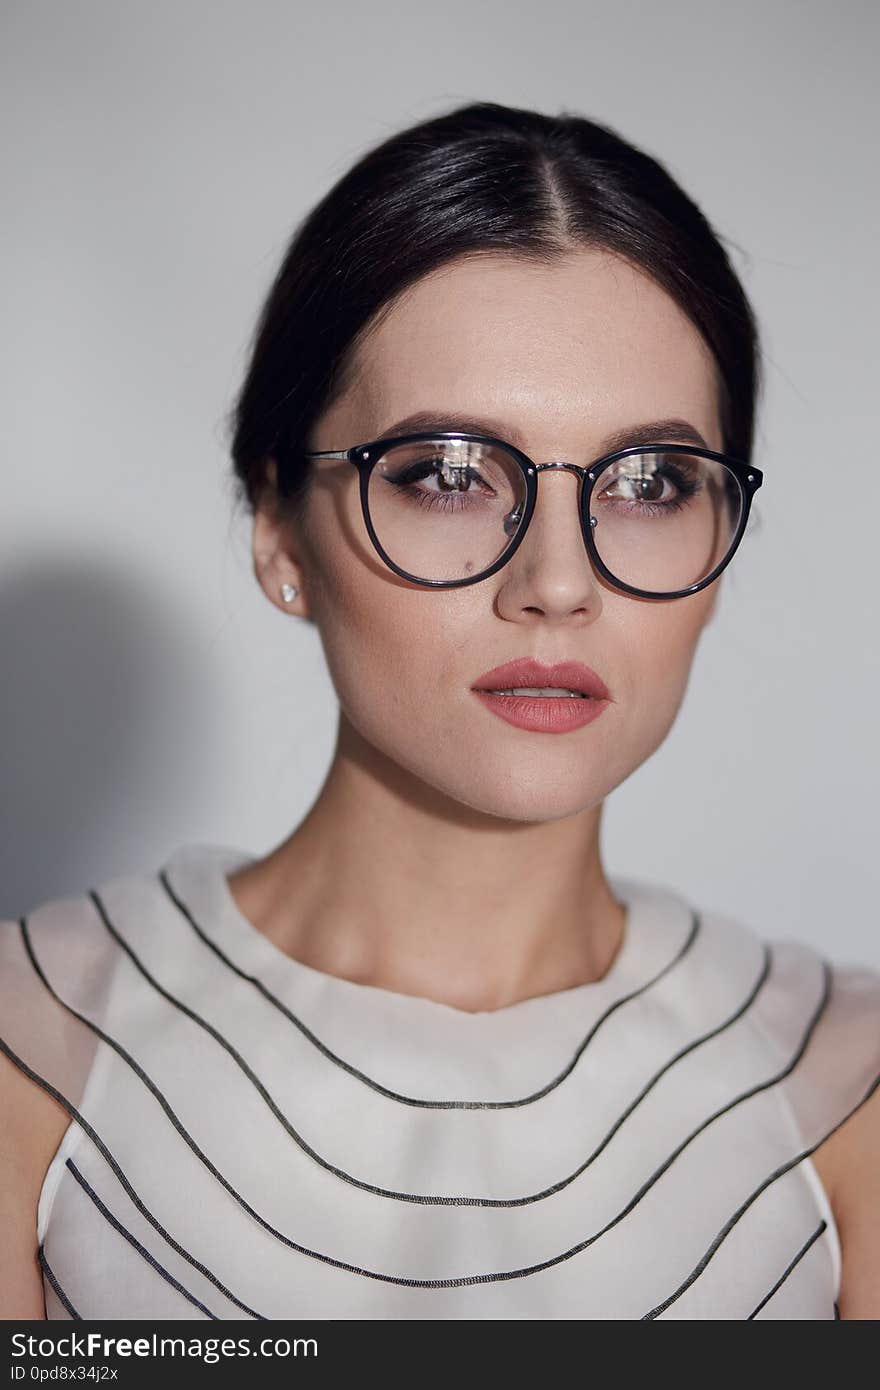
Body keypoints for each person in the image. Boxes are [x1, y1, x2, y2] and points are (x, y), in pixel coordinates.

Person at [1, 100, 878, 1322]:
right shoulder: (28, 1053)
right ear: (276, 526)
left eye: (651, 482)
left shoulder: (849, 1085)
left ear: (720, 541)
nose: (559, 584)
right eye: (449, 475)